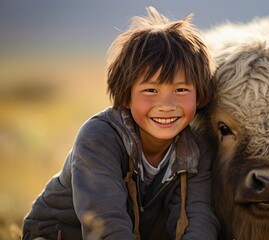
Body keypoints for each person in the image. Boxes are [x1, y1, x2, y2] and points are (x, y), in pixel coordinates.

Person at [22, 6, 219, 240]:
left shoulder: (197, 148)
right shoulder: (99, 138)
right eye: (150, 90)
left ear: (200, 95)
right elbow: (105, 222)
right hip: (59, 233)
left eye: (181, 89)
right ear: (126, 95)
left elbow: (198, 218)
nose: (167, 104)